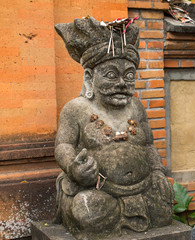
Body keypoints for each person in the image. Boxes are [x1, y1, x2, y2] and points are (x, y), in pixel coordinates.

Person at [54, 17, 174, 239]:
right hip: (99, 192)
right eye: (111, 75)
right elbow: (63, 145)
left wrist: (158, 171)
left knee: (164, 209)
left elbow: (148, 144)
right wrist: (74, 169)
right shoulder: (76, 109)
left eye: (129, 76)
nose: (121, 83)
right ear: (90, 78)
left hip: (141, 187)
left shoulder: (136, 107)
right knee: (87, 208)